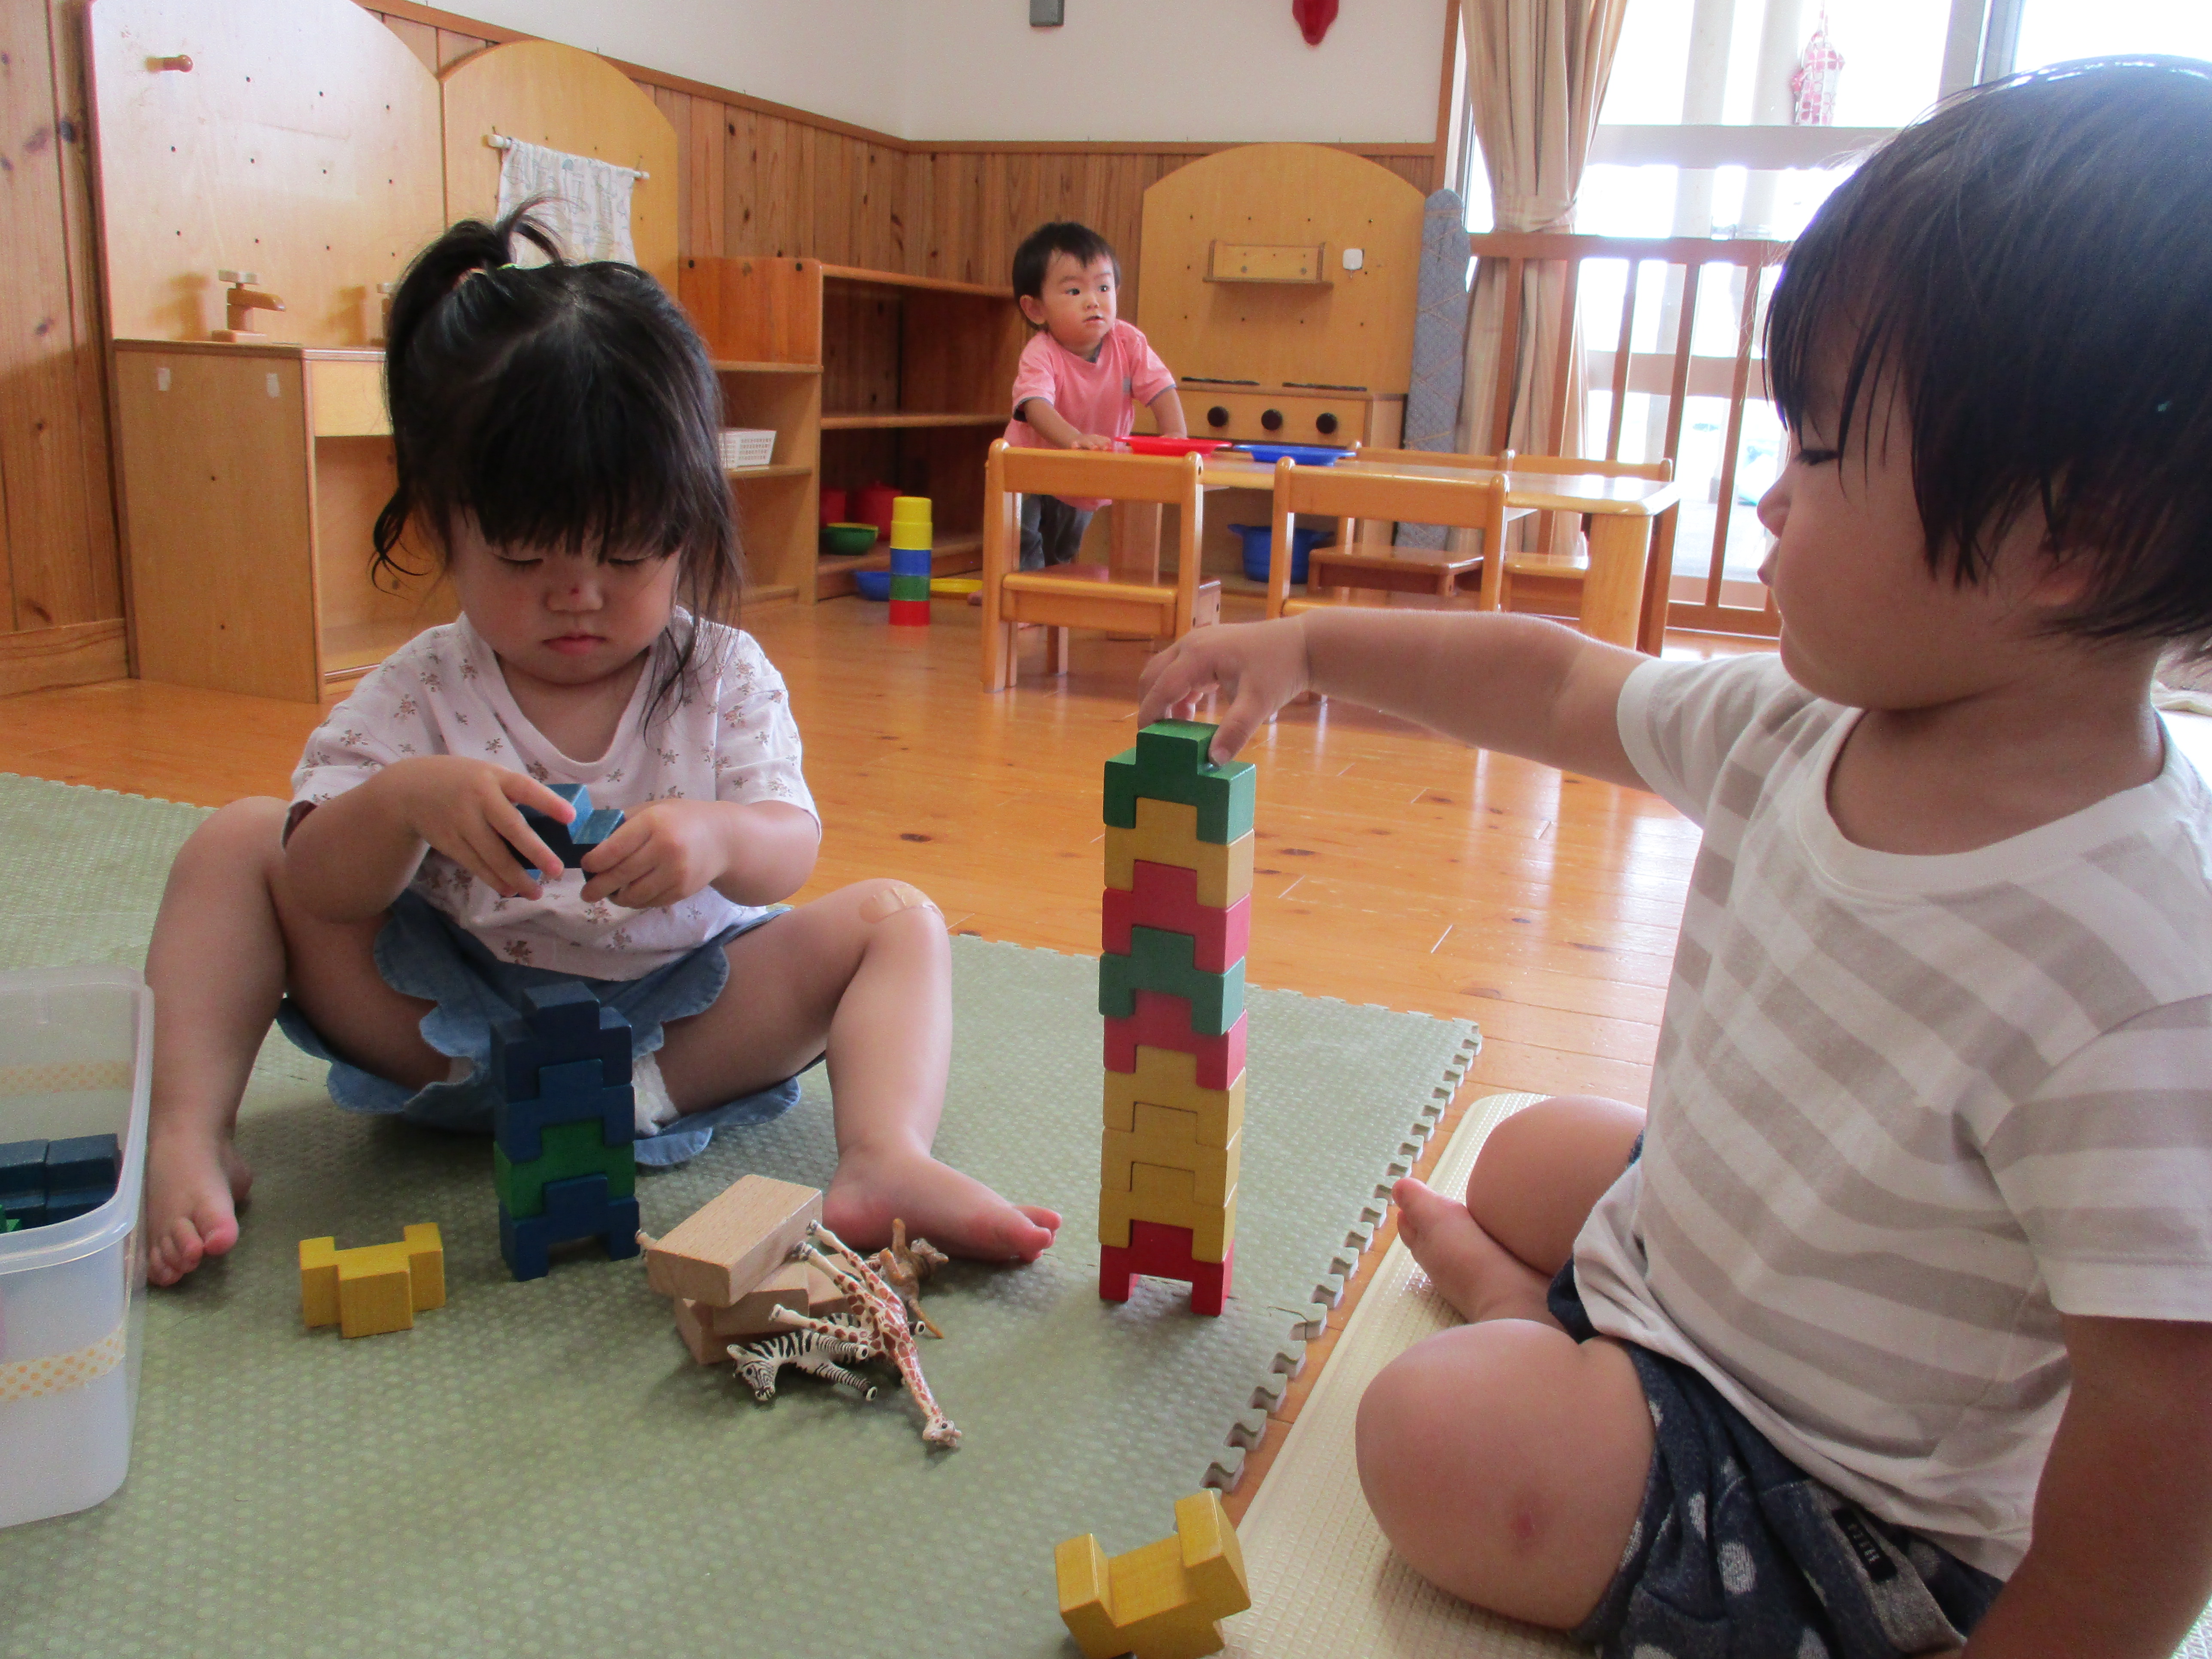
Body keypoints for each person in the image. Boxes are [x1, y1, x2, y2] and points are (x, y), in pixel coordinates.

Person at [1136, 60, 2212, 1659]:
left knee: (1429, 1432)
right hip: (1714, 1256)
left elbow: (2165, 1426)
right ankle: (1570, 1326)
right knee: (1527, 1156)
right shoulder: (1803, 725)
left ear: (2075, 537)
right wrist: (1307, 646)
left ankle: (1549, 1338)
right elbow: (1552, 684)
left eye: (1821, 450)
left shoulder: (2137, 967)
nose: (1767, 496)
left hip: (1827, 1496)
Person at [141, 210, 1060, 1287]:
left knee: (900, 922)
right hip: (445, 1025)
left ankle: (884, 1157)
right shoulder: (420, 687)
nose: (577, 595)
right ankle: (184, 1132)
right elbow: (315, 885)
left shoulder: (721, 674)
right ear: (442, 528)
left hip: (668, 1038)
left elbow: (790, 848)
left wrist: (718, 839)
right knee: (238, 841)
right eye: (524, 557)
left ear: (687, 526)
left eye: (625, 557)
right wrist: (403, 805)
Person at [1003, 221, 1188, 569]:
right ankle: (1008, 588)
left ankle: (1050, 587)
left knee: (1063, 550)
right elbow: (1036, 407)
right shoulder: (1041, 353)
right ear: (1036, 309)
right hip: (1029, 466)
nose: (1093, 301)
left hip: (1087, 469)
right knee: (1019, 540)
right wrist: (1074, 439)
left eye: (1104, 287)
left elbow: (1161, 388)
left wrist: (1176, 436)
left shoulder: (1128, 342)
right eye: (1074, 291)